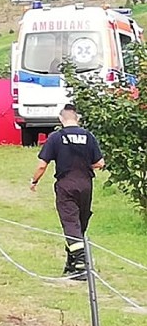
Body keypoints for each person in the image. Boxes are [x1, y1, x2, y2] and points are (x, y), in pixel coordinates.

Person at [29, 104, 104, 280]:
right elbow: (100, 162)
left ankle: (82, 266)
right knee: (79, 224)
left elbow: (42, 164)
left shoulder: (56, 137)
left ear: (61, 119)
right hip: (86, 185)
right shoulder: (88, 136)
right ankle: (71, 265)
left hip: (66, 185)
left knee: (71, 225)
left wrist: (34, 181)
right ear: (77, 118)